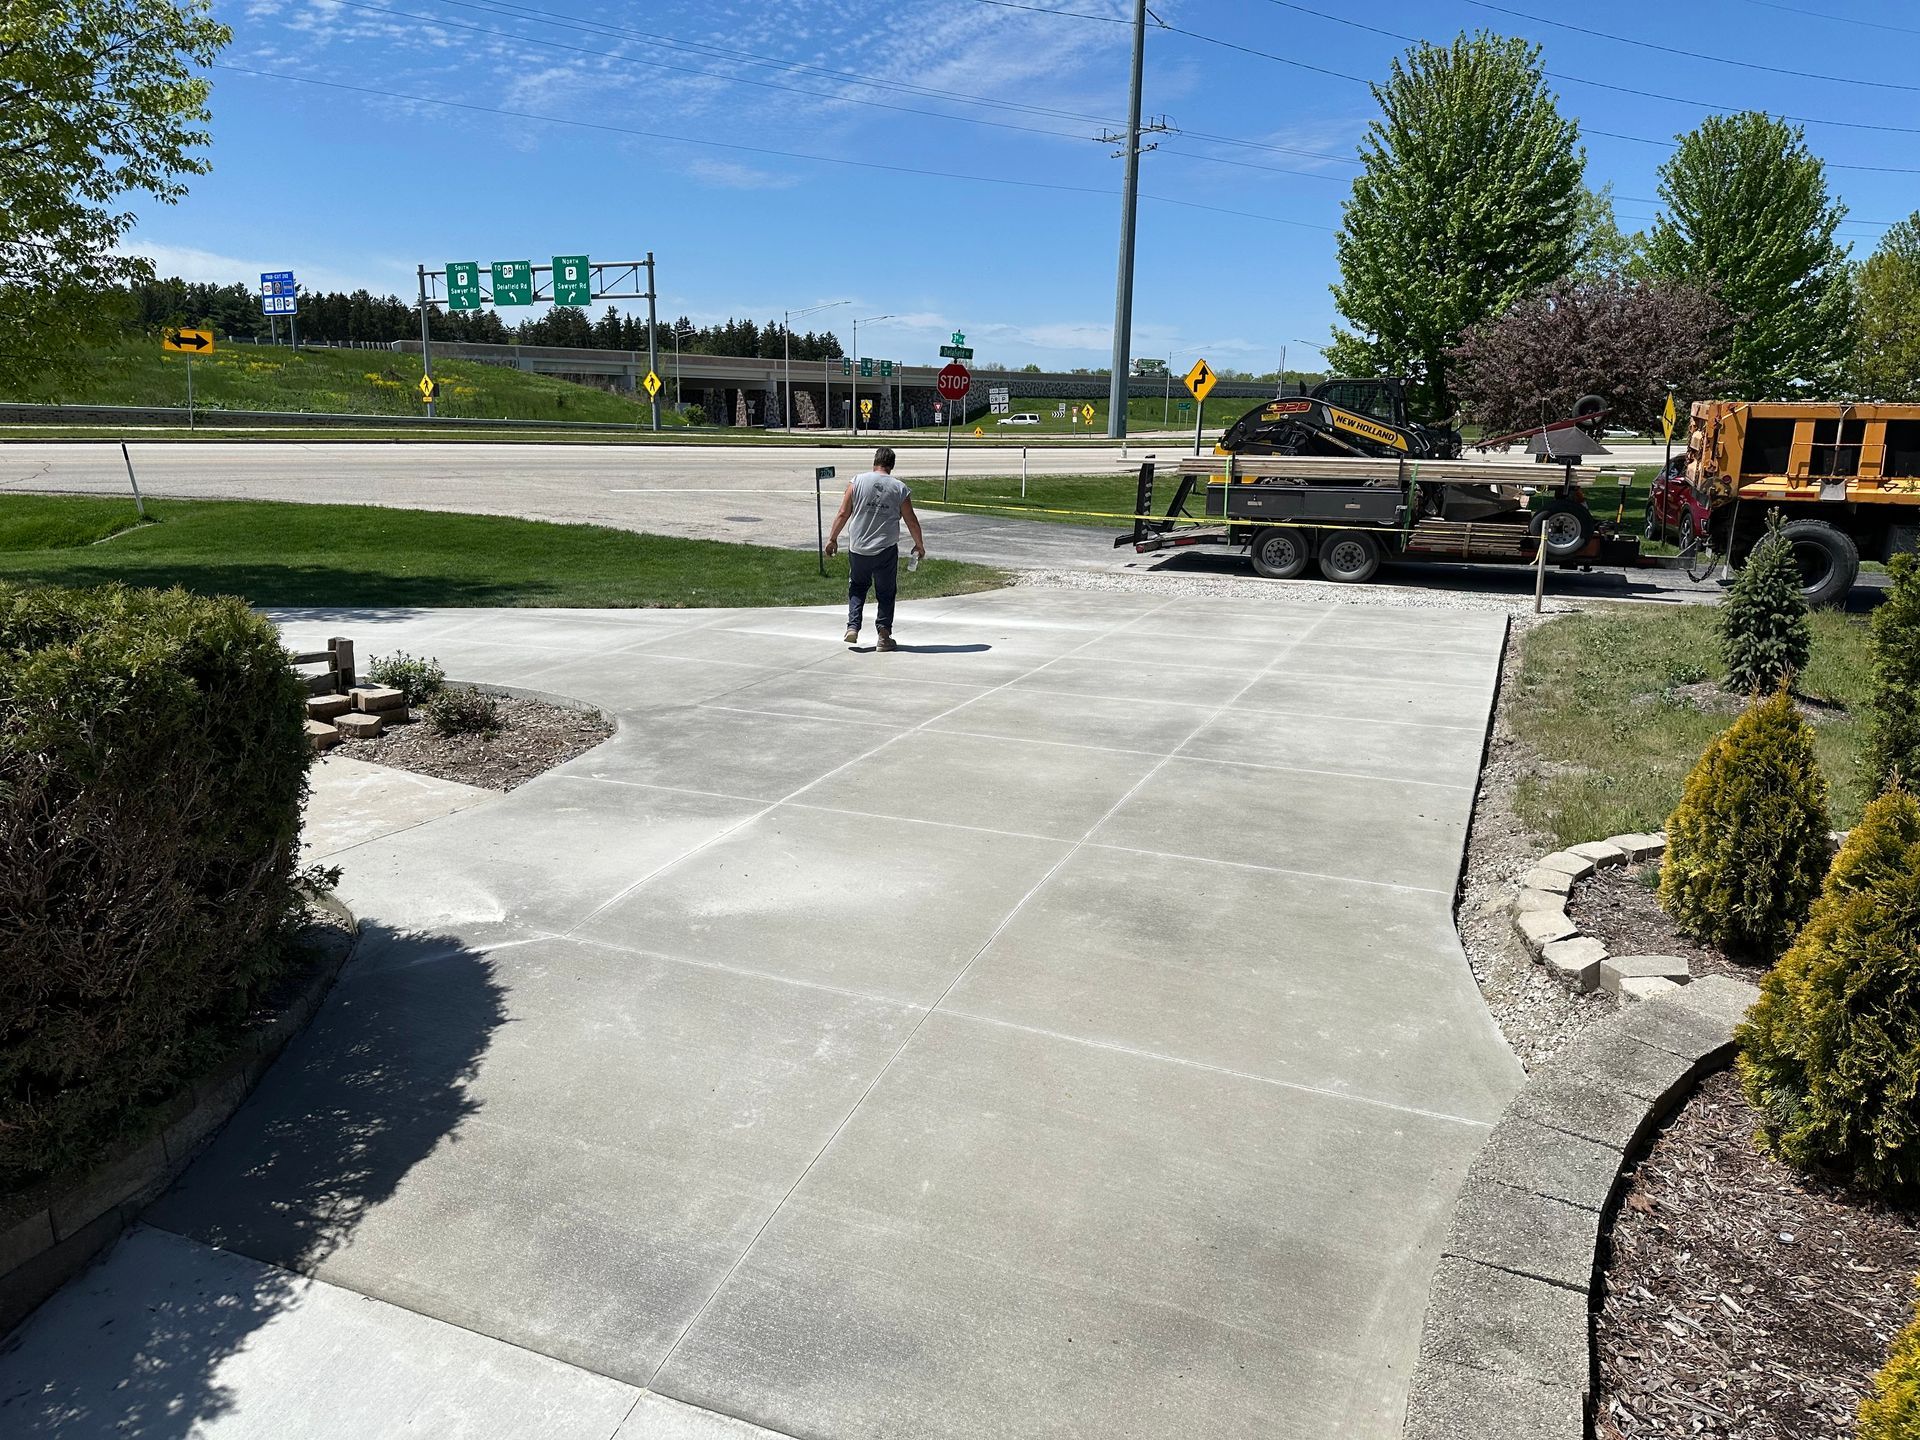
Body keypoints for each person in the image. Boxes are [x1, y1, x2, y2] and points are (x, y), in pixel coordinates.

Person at [824, 446, 926, 651]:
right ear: (891, 466)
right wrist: (919, 544)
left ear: (875, 462)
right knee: (886, 592)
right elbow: (911, 520)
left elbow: (843, 512)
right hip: (885, 549)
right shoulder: (899, 488)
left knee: (858, 587)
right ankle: (883, 636)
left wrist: (832, 539)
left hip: (858, 546)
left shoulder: (857, 481)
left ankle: (852, 628)